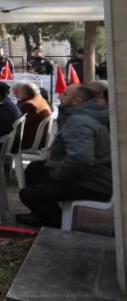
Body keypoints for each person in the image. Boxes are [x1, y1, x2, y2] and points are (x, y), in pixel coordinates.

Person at [17, 84, 113, 228]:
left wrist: (57, 175)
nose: (60, 96)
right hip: (93, 175)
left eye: (65, 94)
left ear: (77, 101)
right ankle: (39, 215)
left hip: (93, 183)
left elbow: (81, 158)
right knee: (35, 168)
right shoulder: (84, 115)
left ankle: (56, 225)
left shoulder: (79, 122)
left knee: (27, 194)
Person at [14, 82, 52, 152]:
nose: (17, 95)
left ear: (24, 93)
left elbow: (15, 123)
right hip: (40, 141)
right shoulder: (42, 100)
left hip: (30, 143)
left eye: (18, 92)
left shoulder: (29, 105)